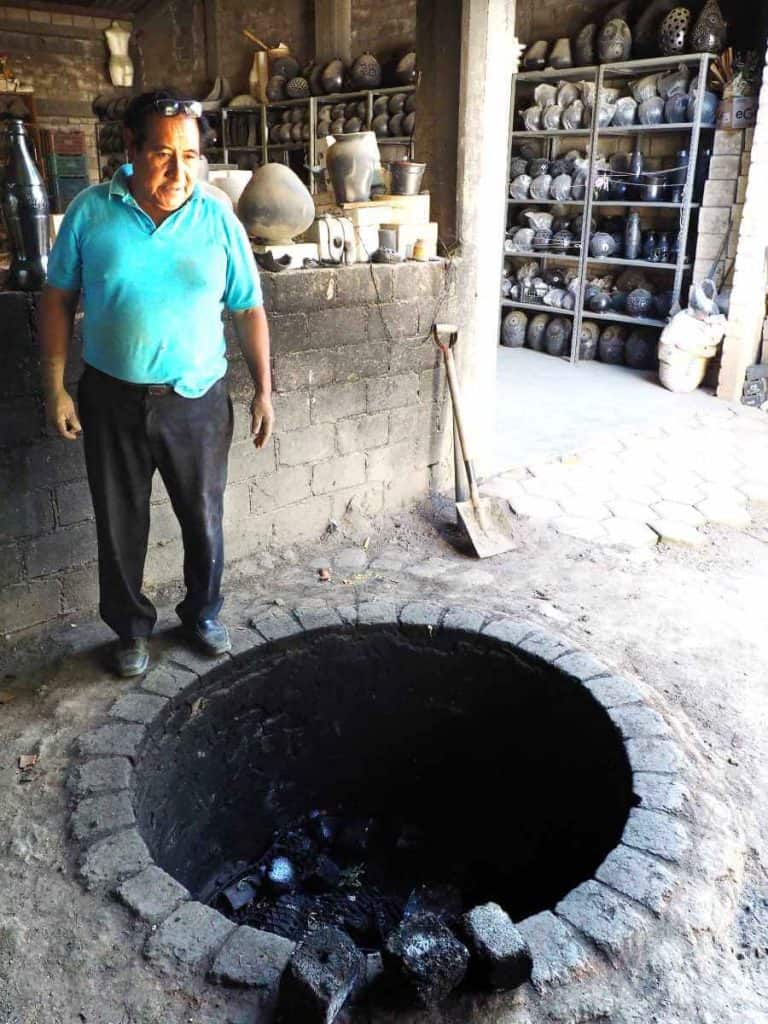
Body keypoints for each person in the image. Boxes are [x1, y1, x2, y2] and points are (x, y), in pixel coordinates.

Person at [39, 89, 274, 677]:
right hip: (111, 397)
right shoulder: (92, 211)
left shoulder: (218, 215)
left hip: (196, 399)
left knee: (204, 517)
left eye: (191, 155)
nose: (179, 169)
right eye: (164, 154)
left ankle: (202, 612)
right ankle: (130, 628)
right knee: (120, 522)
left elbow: (247, 307)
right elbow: (57, 299)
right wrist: (57, 386)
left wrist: (265, 389)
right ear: (131, 149)